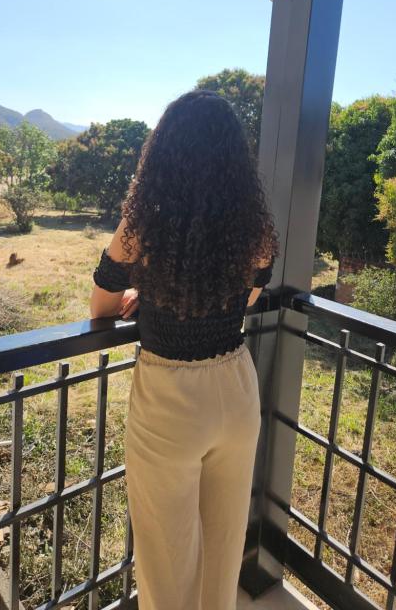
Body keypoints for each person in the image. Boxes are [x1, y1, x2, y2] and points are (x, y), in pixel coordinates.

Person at [90, 89, 279, 610]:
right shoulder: (255, 229)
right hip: (236, 389)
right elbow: (249, 294)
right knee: (222, 551)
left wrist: (146, 292)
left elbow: (101, 304)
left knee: (166, 560)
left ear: (164, 151)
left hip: (169, 397)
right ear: (234, 158)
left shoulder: (143, 224)